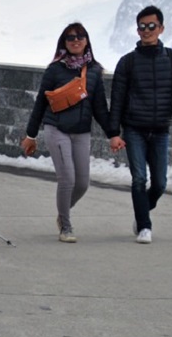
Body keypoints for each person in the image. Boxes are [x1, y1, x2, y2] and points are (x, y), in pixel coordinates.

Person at [22, 22, 124, 243]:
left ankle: (62, 213)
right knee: (67, 178)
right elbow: (40, 102)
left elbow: (100, 108)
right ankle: (66, 226)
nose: (75, 40)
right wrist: (31, 135)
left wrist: (113, 134)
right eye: (70, 38)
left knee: (82, 183)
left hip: (81, 132)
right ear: (64, 43)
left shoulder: (95, 71)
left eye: (80, 36)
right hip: (56, 128)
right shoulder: (55, 69)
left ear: (87, 40)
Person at [109, 5, 172, 244]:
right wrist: (114, 132)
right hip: (134, 128)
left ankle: (141, 211)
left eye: (151, 26)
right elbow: (117, 99)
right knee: (138, 179)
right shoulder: (127, 62)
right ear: (137, 31)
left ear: (161, 28)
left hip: (160, 130)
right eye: (142, 27)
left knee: (160, 184)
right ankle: (144, 226)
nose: (146, 30)